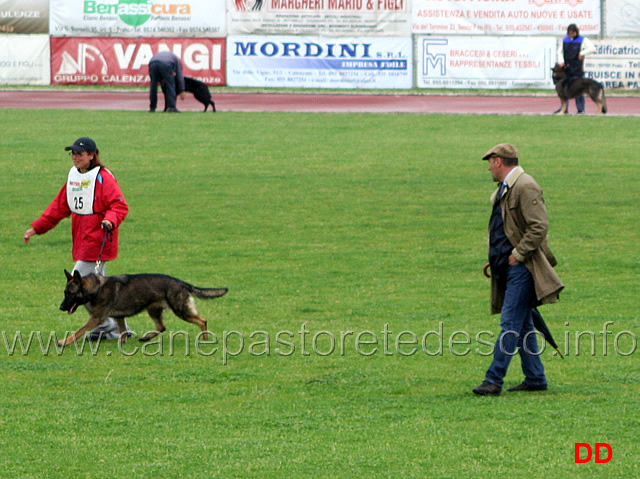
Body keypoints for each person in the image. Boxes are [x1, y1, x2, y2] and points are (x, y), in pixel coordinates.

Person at [473, 144, 564, 396]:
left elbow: (539, 226)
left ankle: (493, 380)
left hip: (522, 268)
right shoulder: (506, 188)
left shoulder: (525, 186)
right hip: (507, 267)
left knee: (510, 324)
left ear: (499, 161)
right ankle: (535, 378)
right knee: (522, 325)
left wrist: (517, 254)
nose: (489, 167)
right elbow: (507, 229)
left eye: (490, 162)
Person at [24, 137, 130, 341]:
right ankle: (115, 328)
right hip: (83, 241)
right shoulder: (74, 176)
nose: (75, 157)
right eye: (73, 153)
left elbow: (119, 206)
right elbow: (59, 207)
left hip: (98, 241)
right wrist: (37, 228)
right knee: (96, 289)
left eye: (79, 154)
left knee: (82, 285)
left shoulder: (103, 178)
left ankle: (109, 328)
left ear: (92, 155)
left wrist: (109, 220)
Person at [555, 24, 596, 114]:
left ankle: (580, 109)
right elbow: (559, 52)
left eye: (572, 33)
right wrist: (561, 61)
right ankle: (563, 108)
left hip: (577, 68)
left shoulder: (582, 40)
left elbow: (592, 48)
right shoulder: (564, 40)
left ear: (576, 32)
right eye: (569, 33)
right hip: (566, 68)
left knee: (579, 88)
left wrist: (582, 53)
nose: (571, 35)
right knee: (563, 89)